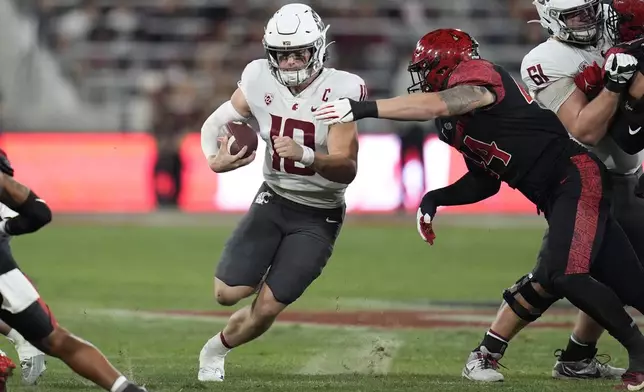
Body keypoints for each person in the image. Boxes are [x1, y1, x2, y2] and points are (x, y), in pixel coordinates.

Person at [314, 28, 644, 390]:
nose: (422, 79)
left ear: (445, 66)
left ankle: (638, 354)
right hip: (555, 192)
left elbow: (446, 101)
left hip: (574, 175)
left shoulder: (480, 75)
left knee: (565, 275)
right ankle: (544, 358)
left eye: (427, 69)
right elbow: (484, 179)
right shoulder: (449, 126)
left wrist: (363, 108)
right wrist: (436, 198)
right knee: (629, 283)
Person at [454, 0, 644, 382]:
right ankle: (487, 352)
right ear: (551, 18)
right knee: (560, 272)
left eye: (592, 9)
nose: (587, 21)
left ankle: (577, 356)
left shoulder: (615, 29)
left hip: (626, 172)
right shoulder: (545, 59)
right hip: (581, 176)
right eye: (575, 15)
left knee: (609, 273)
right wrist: (615, 84)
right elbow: (585, 129)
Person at [197, 3, 366, 382]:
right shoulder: (257, 77)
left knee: (268, 307)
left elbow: (347, 169)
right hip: (272, 198)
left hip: (319, 213)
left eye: (299, 53)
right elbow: (216, 122)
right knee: (226, 293)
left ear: (318, 48)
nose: (290, 63)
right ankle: (258, 266)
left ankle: (216, 350)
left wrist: (307, 155)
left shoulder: (342, 88)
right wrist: (214, 159)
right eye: (282, 55)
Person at [0, 150, 148, 392]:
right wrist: (5, 227)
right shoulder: (4, 182)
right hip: (4, 274)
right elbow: (40, 213)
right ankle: (126, 390)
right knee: (57, 340)